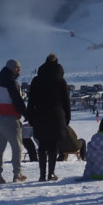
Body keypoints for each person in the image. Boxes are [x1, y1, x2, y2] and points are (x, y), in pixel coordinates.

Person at [28, 53, 72, 182]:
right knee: (53, 145)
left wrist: (30, 117)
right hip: (57, 116)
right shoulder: (61, 81)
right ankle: (51, 173)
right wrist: (67, 118)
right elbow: (66, 102)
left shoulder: (36, 80)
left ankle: (42, 175)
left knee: (42, 145)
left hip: (40, 116)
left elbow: (31, 101)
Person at [0, 60, 28, 184]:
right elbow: (17, 100)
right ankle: (17, 174)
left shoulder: (0, 81)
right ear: (13, 69)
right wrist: (26, 113)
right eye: (18, 69)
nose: (19, 71)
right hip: (10, 118)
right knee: (17, 147)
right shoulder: (11, 82)